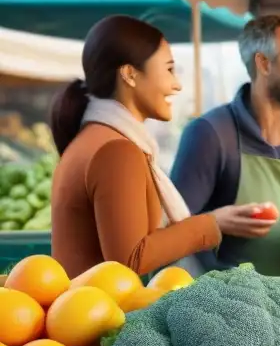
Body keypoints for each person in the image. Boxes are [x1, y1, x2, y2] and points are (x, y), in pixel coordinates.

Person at [49, 15, 268, 279]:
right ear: (130, 74)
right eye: (168, 69)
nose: (176, 84)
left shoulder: (95, 138)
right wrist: (213, 223)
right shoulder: (116, 151)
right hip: (99, 316)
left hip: (83, 310)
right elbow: (131, 259)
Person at [170, 15, 280, 278]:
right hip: (229, 308)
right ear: (263, 63)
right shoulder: (210, 134)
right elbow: (172, 235)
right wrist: (214, 222)